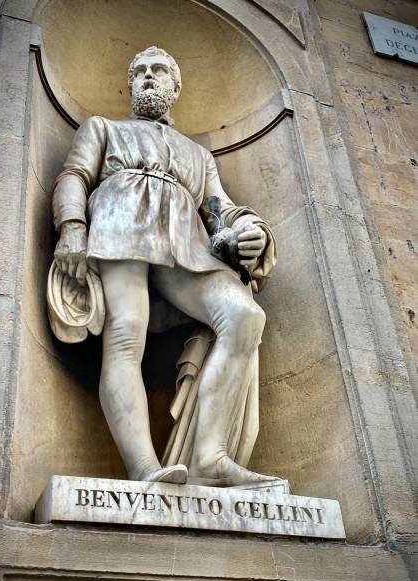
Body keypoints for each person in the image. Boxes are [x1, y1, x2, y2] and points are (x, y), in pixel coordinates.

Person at [51, 46, 277, 486]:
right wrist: (72, 227)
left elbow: (219, 209)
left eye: (158, 71)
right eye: (139, 72)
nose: (148, 77)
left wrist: (249, 230)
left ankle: (209, 456)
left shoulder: (199, 156)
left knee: (244, 317)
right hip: (120, 223)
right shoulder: (104, 128)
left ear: (176, 87)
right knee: (124, 334)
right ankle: (144, 468)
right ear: (131, 85)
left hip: (186, 243)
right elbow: (74, 176)